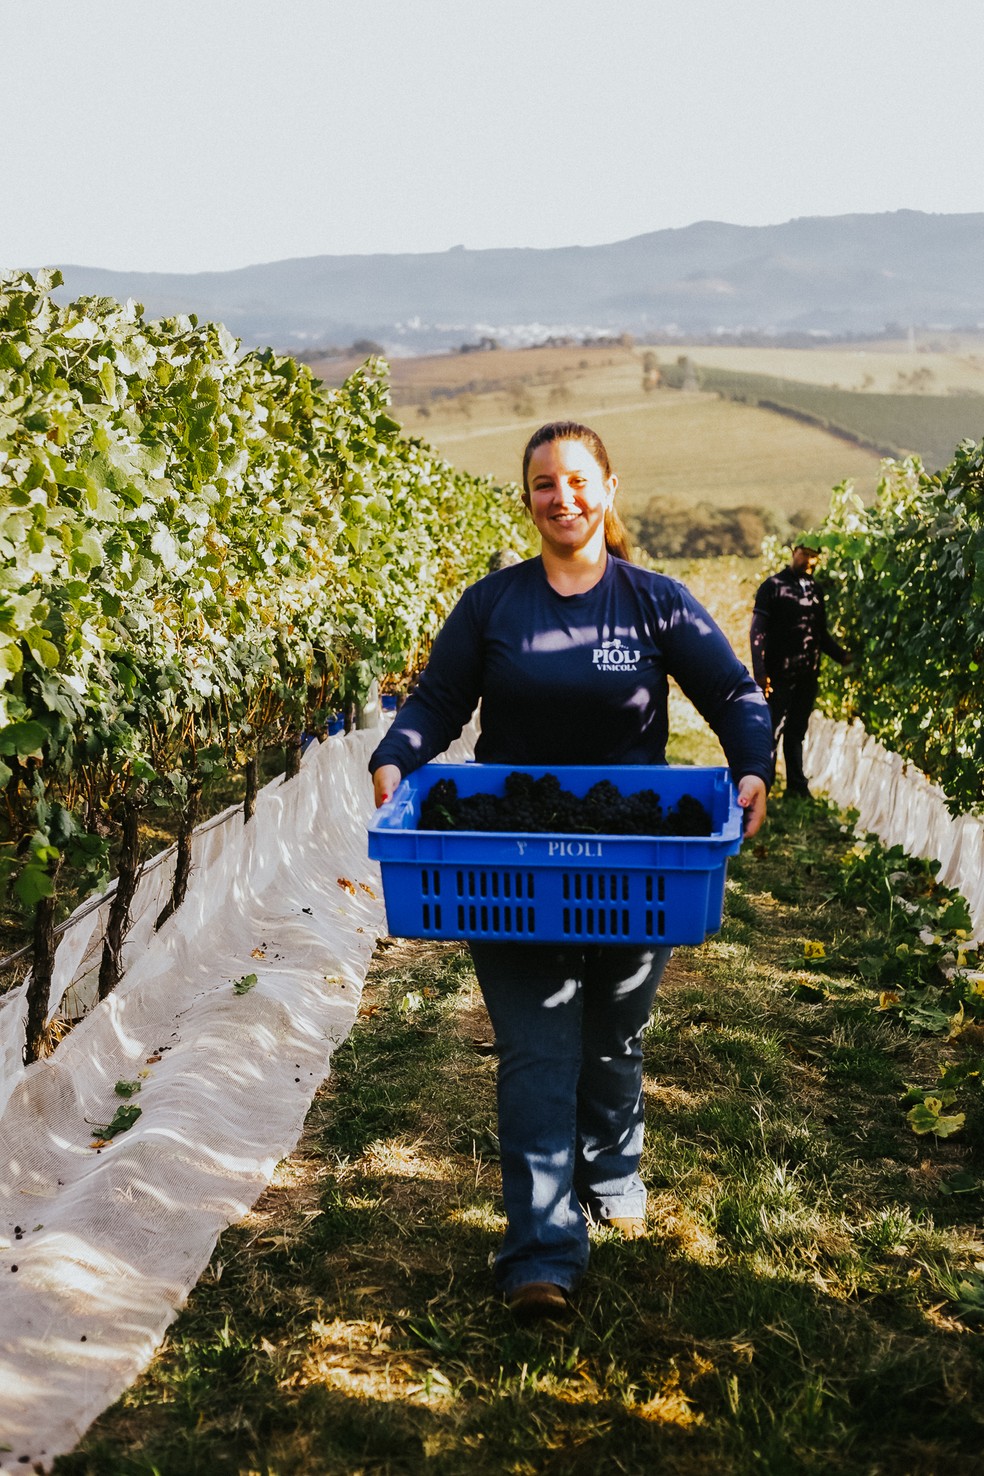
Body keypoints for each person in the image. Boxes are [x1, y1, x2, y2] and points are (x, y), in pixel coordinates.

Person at [369, 421, 772, 1322]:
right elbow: (436, 699)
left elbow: (736, 694)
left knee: (612, 1039)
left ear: (609, 488)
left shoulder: (656, 602)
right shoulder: (493, 606)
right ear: (528, 498)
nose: (564, 497)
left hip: (636, 861)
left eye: (579, 481)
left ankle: (613, 1171)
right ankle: (541, 1253)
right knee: (539, 1052)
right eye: (545, 483)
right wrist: (399, 752)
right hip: (508, 861)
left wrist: (753, 764)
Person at [750, 540, 850, 799]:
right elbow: (757, 631)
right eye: (804, 554)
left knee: (796, 731)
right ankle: (764, 785)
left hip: (808, 674)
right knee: (771, 731)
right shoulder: (773, 587)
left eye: (814, 556)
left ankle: (796, 788)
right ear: (793, 552)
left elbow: (820, 633)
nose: (808, 560)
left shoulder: (815, 590)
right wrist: (760, 673)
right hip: (779, 674)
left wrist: (843, 657)